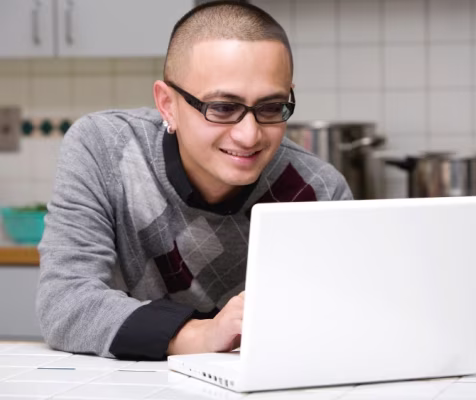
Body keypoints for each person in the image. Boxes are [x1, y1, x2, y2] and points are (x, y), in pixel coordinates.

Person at [36, 0, 352, 360]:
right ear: (167, 104)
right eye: (221, 108)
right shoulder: (104, 148)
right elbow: (64, 302)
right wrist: (202, 334)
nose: (249, 136)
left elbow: (338, 322)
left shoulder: (318, 190)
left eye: (269, 108)